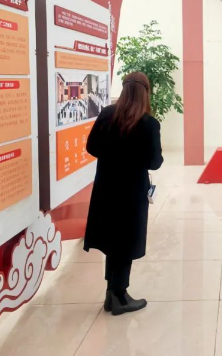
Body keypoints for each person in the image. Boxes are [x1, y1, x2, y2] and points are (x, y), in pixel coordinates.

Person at [83, 71, 164, 315]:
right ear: (145, 93)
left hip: (106, 188)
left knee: (112, 241)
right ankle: (120, 296)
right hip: (131, 193)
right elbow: (155, 162)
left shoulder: (107, 114)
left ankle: (112, 294)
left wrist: (113, 153)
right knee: (125, 243)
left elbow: (92, 147)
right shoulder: (149, 124)